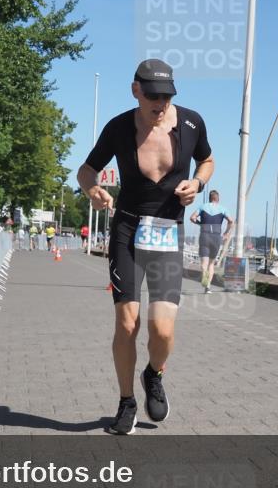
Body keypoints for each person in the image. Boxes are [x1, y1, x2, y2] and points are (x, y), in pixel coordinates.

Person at [77, 58, 213, 435]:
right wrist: (92, 190)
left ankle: (153, 373)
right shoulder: (119, 128)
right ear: (135, 90)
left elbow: (207, 160)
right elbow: (86, 170)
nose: (161, 104)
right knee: (127, 323)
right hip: (128, 231)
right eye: (153, 96)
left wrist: (198, 184)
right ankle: (126, 402)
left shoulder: (191, 123)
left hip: (168, 234)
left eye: (167, 96)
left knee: (162, 330)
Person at [189, 189, 234, 294]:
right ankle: (208, 287)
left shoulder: (203, 207)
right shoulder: (223, 209)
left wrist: (200, 224)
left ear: (210, 198)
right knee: (211, 263)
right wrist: (226, 233)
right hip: (216, 237)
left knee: (204, 263)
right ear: (218, 199)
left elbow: (192, 218)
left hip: (204, 235)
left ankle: (205, 279)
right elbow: (231, 221)